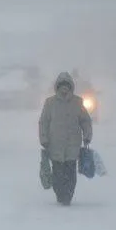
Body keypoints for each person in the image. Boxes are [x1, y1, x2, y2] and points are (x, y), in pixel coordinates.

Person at [38, 71, 93, 206]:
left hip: (72, 147)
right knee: (57, 174)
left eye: (66, 86)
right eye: (62, 85)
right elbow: (43, 122)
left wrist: (87, 136)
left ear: (71, 87)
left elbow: (85, 121)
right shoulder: (50, 103)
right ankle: (60, 194)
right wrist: (44, 138)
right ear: (57, 87)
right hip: (55, 146)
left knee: (70, 174)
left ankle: (67, 196)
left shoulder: (77, 102)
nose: (64, 88)